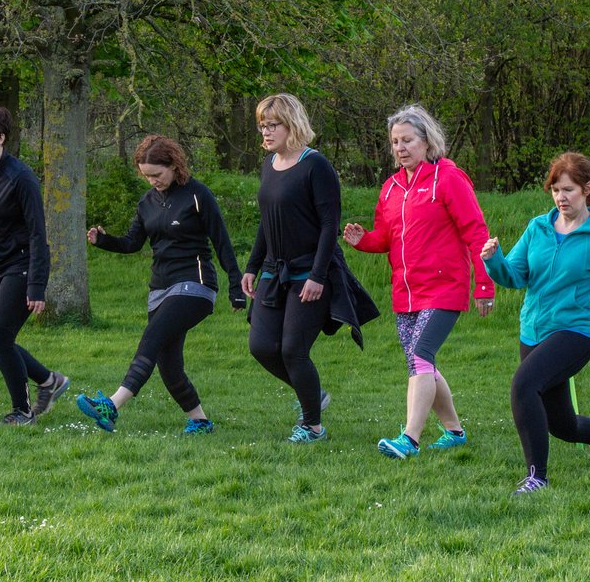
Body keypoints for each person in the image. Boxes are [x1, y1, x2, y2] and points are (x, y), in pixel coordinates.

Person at [343, 104, 494, 459]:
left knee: (421, 355)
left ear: (427, 141)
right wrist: (362, 240)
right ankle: (455, 431)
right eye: (395, 142)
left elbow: (477, 233)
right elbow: (386, 237)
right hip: (406, 293)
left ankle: (409, 438)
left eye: (407, 140)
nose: (400, 148)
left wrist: (484, 285)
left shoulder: (449, 179)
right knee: (420, 363)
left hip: (445, 288)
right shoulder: (391, 188)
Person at [481, 152, 590, 495]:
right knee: (560, 425)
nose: (561, 198)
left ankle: (538, 477)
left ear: (587, 189)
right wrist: (494, 261)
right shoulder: (538, 227)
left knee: (523, 385)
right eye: (555, 190)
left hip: (575, 332)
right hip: (533, 331)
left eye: (569, 190)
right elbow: (516, 276)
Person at [75, 135, 246, 434]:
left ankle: (112, 405)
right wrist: (104, 241)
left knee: (152, 337)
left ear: (174, 165)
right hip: (160, 288)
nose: (153, 181)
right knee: (168, 364)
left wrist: (235, 288)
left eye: (157, 174)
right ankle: (200, 421)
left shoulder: (197, 195)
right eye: (147, 176)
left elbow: (222, 243)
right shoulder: (146, 203)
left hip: (195, 284)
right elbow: (132, 244)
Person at [243, 93, 378, 443]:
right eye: (262, 125)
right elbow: (267, 222)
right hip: (275, 272)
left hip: (311, 272)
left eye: (273, 125)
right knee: (260, 346)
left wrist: (318, 276)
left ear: (293, 125)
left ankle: (312, 426)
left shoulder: (316, 166)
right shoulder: (269, 165)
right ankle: (311, 395)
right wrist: (251, 267)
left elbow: (328, 225)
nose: (266, 132)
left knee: (292, 350)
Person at [0, 104, 70, 425]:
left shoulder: (21, 178)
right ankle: (50, 381)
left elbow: (39, 234)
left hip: (22, 267)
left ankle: (23, 412)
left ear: (0, 138)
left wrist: (37, 285)